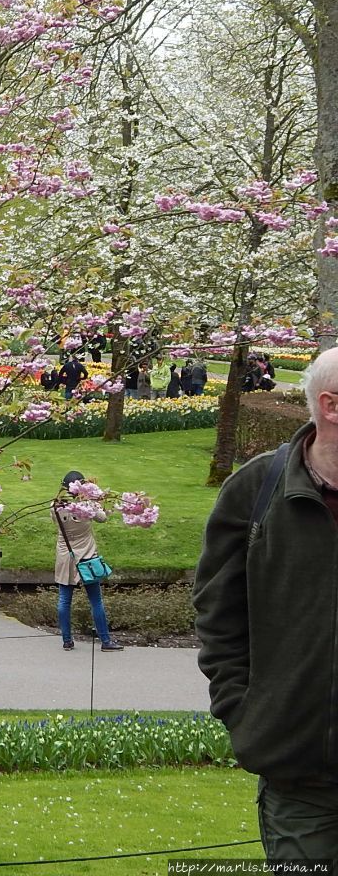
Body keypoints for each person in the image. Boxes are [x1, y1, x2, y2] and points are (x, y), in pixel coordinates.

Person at [194, 348, 338, 867]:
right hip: (299, 773)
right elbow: (217, 614)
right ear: (331, 406)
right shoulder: (257, 489)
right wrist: (246, 713)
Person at [52, 471, 123, 652]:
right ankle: (105, 641)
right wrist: (98, 500)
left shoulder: (55, 507)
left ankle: (67, 641)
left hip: (65, 555)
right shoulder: (88, 506)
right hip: (87, 557)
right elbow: (103, 518)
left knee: (64, 600)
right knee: (96, 601)